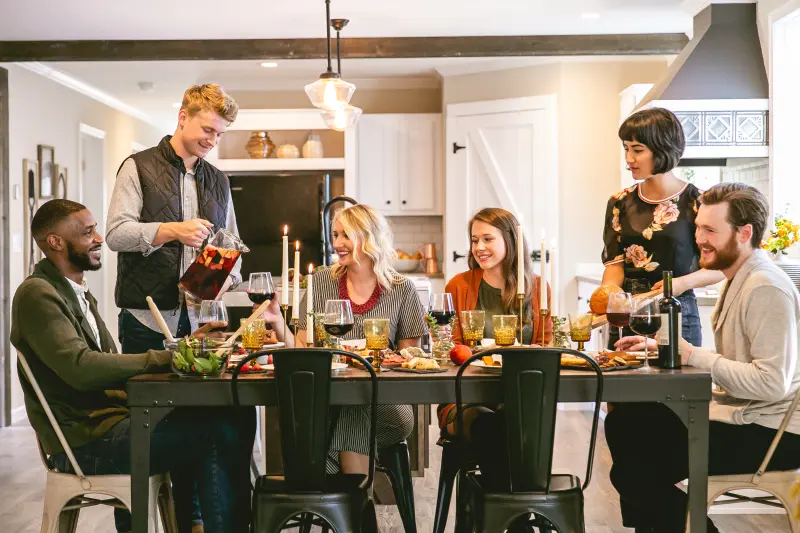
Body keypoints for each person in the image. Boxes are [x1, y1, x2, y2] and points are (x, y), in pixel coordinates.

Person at [11, 200, 255, 533]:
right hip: (86, 445)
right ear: (55, 242)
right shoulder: (37, 295)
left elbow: (101, 365)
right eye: (87, 232)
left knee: (233, 411)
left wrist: (184, 347)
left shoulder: (73, 291)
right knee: (217, 428)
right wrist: (169, 355)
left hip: (111, 427)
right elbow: (82, 368)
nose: (99, 238)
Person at [607, 183, 800, 533]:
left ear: (744, 234)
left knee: (637, 466)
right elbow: (742, 365)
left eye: (710, 230)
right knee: (626, 422)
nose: (699, 238)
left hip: (776, 435)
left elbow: (771, 383)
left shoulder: (765, 287)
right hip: (746, 418)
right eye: (698, 227)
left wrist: (694, 354)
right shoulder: (738, 279)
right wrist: (664, 349)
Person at [258, 204, 426, 474]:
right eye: (335, 235)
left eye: (346, 235)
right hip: (330, 401)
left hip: (386, 406)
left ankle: (333, 500)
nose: (337, 243)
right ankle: (357, 509)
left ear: (369, 237)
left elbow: (410, 363)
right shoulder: (321, 282)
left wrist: (381, 362)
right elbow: (301, 351)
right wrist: (278, 321)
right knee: (348, 406)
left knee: (354, 405)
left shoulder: (401, 289)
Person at [106, 82, 242, 354]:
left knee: (198, 398)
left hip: (201, 323)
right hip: (146, 322)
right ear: (183, 117)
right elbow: (115, 235)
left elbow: (232, 247)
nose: (213, 141)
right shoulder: (137, 167)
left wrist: (225, 281)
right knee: (147, 397)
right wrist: (174, 231)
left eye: (220, 134)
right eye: (207, 130)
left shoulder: (219, 180)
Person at [436, 207, 553, 493]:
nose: (479, 248)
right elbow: (450, 346)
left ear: (511, 241)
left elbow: (547, 346)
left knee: (516, 423)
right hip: (465, 399)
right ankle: (514, 515)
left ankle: (500, 514)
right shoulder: (460, 285)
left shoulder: (537, 288)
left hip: (520, 398)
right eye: (474, 240)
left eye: (488, 239)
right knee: (495, 425)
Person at [602, 108, 724, 348]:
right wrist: (607, 297)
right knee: (621, 384)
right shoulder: (619, 202)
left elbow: (721, 267)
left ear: (663, 148)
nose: (629, 158)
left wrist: (680, 284)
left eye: (637, 150)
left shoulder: (699, 202)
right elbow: (615, 267)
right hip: (627, 315)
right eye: (626, 148)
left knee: (674, 385)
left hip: (678, 314)